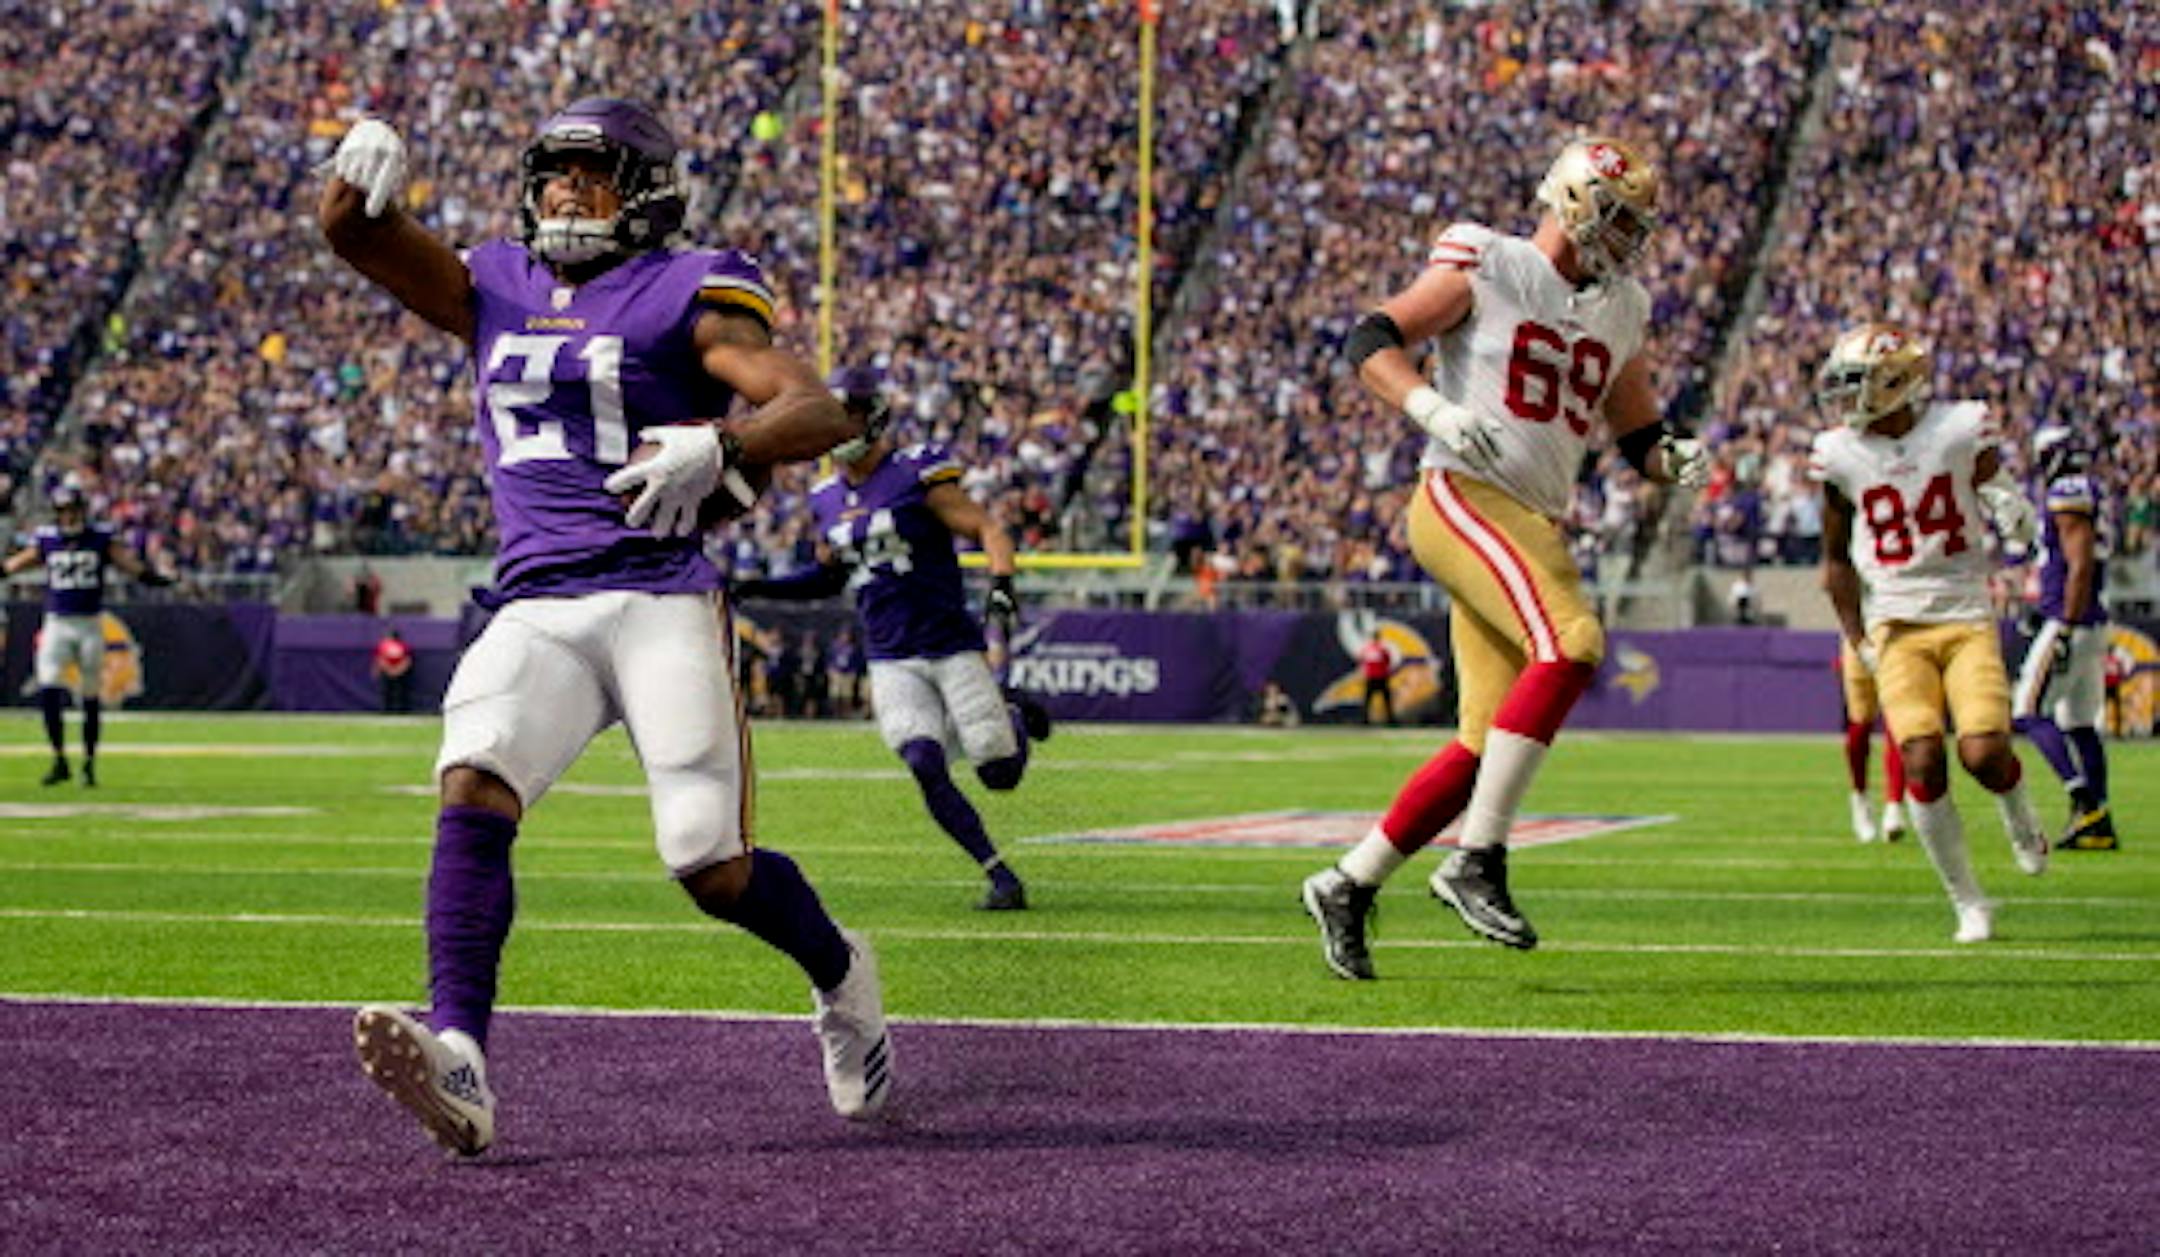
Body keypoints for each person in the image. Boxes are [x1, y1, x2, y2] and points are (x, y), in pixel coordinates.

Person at [320, 99, 890, 1157]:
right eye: (554, 175)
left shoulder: (689, 286)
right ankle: (462, 1055)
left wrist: (724, 445)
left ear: (651, 190)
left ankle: (841, 972)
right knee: (474, 776)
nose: (566, 192)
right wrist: (357, 174)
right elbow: (355, 236)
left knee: (708, 863)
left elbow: (823, 409)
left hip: (658, 595)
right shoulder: (494, 281)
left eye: (595, 174)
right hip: (535, 601)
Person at [1300, 137, 1709, 979]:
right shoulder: (1491, 258)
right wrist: (1431, 410)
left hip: (1530, 516)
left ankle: (1350, 881)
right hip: (1461, 490)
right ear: (1573, 198)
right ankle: (1476, 860)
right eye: (1620, 217)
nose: (1631, 238)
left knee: (1485, 743)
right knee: (1574, 640)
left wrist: (1673, 459)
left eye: (1640, 223)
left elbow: (1637, 433)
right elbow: (1373, 336)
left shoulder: (1621, 304)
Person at [731, 367, 1050, 912]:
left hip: (948, 641)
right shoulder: (826, 497)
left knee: (999, 772)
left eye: (846, 414)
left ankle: (1014, 715)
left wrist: (1002, 583)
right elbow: (828, 579)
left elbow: (987, 528)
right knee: (923, 760)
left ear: (871, 416)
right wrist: (756, 584)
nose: (835, 426)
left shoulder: (915, 471)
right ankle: (999, 875)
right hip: (889, 653)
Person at [1810, 323, 2051, 943]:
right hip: (1894, 622)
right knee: (1921, 757)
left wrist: (2013, 511)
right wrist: (1855, 634)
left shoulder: (1959, 428)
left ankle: (2019, 814)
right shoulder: (1839, 453)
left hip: (1965, 612)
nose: (1846, 400)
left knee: (1984, 753)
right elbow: (1834, 558)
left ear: (1898, 382)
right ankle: (1968, 901)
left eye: (1857, 385)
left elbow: (1998, 491)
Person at [2, 487, 170, 787]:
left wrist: (155, 578)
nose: (69, 516)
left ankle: (89, 763)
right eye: (64, 511)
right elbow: (14, 565)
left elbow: (128, 564)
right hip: (57, 623)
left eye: (73, 510)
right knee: (48, 687)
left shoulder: (99, 538)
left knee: (90, 695)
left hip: (90, 624)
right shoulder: (47, 540)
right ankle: (59, 759)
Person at [2011, 425, 2118, 851]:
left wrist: (2066, 625)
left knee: (2028, 710)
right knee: (2078, 723)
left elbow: (2079, 563)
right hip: (2091, 620)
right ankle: (2099, 824)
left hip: (2072, 620)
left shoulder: (2068, 491)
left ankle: (2084, 799)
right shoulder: (2093, 489)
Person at [1835, 638, 1908, 844]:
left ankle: (1894, 806)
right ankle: (1860, 798)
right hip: (1859, 640)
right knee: (1859, 728)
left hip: (1896, 640)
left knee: (1896, 725)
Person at [1356, 629, 1397, 725]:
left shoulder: (1367, 649)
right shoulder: (1382, 649)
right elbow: (1388, 661)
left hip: (1371, 677)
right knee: (1386, 700)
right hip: (1381, 676)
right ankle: (1390, 720)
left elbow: (1361, 661)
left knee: (1368, 700)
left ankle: (1365, 719)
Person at [373, 626, 415, 714]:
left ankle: (399, 712)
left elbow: (407, 660)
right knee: (387, 693)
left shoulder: (403, 646)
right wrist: (390, 670)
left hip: (399, 674)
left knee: (399, 694)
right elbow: (380, 659)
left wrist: (397, 670)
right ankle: (387, 711)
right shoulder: (383, 646)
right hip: (389, 673)